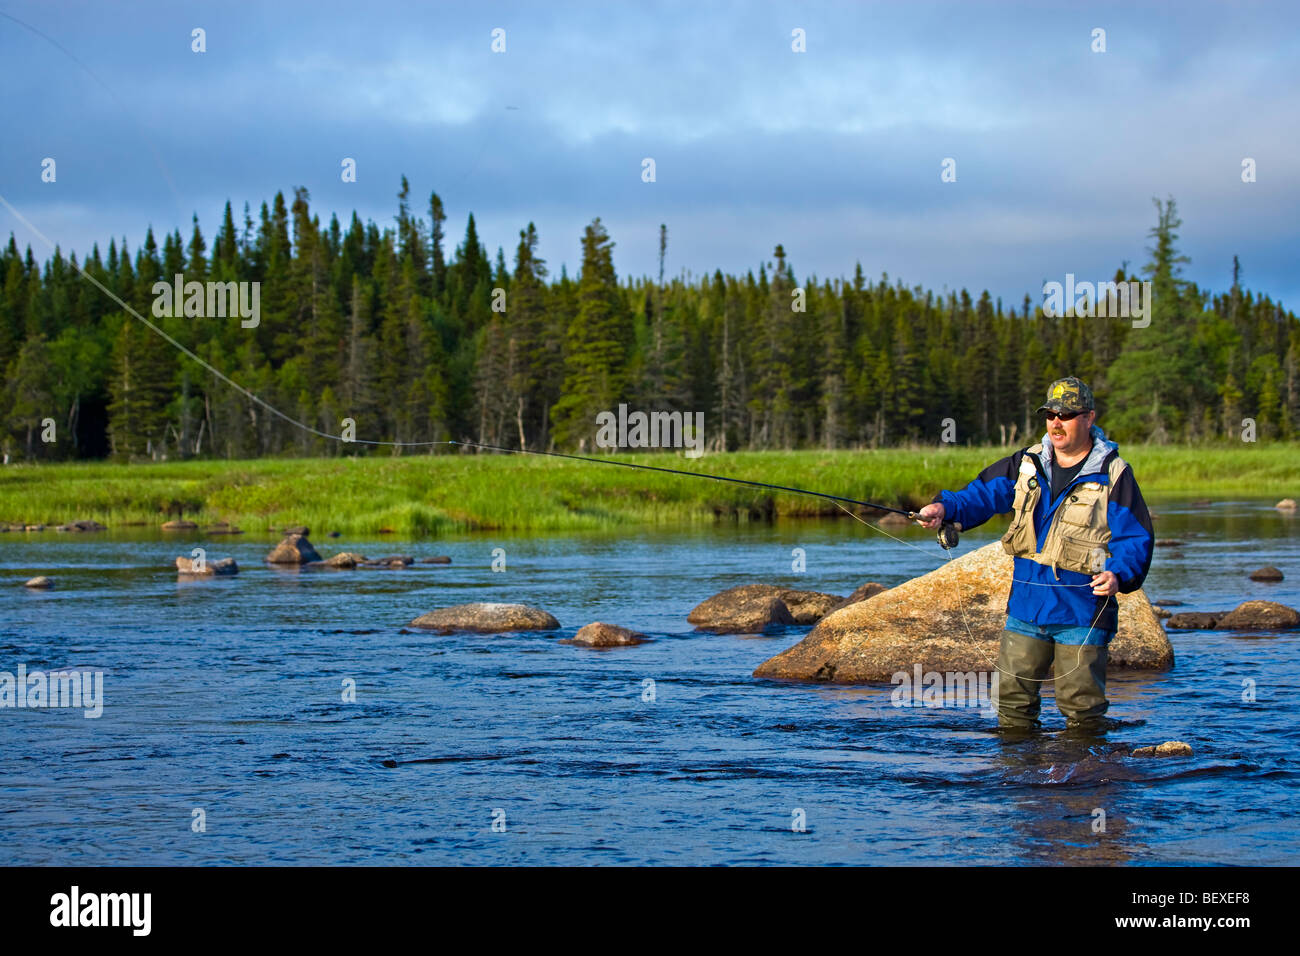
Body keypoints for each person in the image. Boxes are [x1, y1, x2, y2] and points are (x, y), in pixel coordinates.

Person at [916, 376, 1154, 732]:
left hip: (1082, 609)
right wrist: (944, 509)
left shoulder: (1113, 473)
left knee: (1081, 709)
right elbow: (981, 495)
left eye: (1067, 414)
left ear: (1089, 418)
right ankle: (1019, 781)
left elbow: (1135, 535)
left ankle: (1088, 781)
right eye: (1051, 414)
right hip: (1026, 607)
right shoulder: (1025, 463)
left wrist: (1119, 573)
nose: (1057, 422)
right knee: (1011, 705)